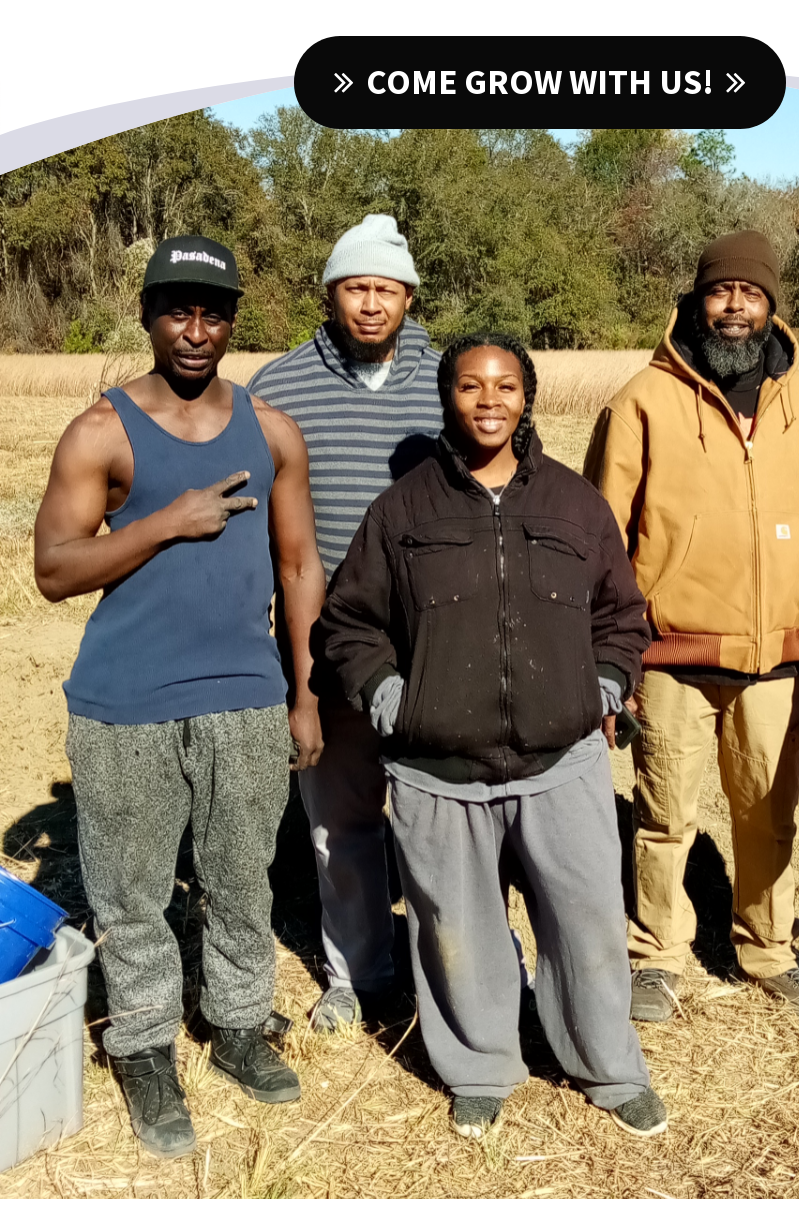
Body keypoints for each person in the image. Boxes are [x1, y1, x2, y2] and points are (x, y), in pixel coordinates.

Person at [318, 333, 668, 1139]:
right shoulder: (403, 510)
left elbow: (622, 614)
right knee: (458, 929)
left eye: (505, 385)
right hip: (437, 770)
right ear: (447, 397)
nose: (489, 400)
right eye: (470, 385)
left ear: (526, 397)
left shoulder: (575, 503)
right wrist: (391, 698)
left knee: (586, 924)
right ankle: (479, 1066)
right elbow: (351, 622)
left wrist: (604, 683)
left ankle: (609, 1067)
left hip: (563, 763)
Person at [34, 236, 326, 1158]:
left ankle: (237, 1024)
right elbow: (53, 569)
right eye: (176, 311)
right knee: (132, 895)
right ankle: (145, 1047)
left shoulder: (272, 431)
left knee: (241, 877)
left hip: (246, 696)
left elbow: (299, 564)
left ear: (232, 321)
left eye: (213, 313)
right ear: (148, 316)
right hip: (125, 702)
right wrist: (167, 521)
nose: (195, 331)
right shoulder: (101, 432)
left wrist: (306, 691)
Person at [584, 230, 799, 1021]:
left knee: (767, 818)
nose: (735, 306)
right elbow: (600, 537)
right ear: (696, 300)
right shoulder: (641, 401)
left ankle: (768, 951)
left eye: (751, 292)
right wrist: (610, 655)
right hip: (668, 658)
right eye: (721, 291)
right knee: (663, 817)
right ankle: (657, 955)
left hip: (776, 658)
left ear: (772, 304)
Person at [247, 215, 443, 1032]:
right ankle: (356, 974)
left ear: (407, 298)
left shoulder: (451, 381)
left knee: (443, 823)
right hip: (327, 645)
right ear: (330, 293)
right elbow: (260, 529)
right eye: (356, 287)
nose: (371, 304)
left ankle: (448, 974)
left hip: (434, 647)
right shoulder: (278, 387)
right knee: (340, 823)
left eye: (386, 289)